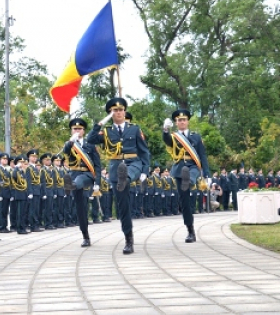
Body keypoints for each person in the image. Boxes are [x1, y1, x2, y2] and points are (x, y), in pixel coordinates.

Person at [87, 98, 150, 254]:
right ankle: (129, 239)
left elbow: (144, 152)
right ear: (111, 113)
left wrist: (144, 171)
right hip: (115, 166)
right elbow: (90, 139)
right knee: (123, 208)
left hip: (133, 163)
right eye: (115, 110)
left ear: (124, 111)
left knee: (128, 173)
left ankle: (126, 178)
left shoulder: (135, 129)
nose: (119, 112)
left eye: (121, 109)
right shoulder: (107, 131)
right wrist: (100, 124)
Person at [163, 109, 210, 243]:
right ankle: (190, 231)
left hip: (193, 165)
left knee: (191, 175)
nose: (182, 122)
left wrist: (207, 173)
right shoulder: (174, 136)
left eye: (184, 120)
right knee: (184, 202)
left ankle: (189, 180)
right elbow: (167, 141)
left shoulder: (196, 137)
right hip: (179, 168)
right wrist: (165, 130)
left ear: (187, 121)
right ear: (176, 122)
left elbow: (202, 155)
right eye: (179, 120)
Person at [63, 118, 103, 247]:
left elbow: (97, 164)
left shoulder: (90, 145)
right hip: (74, 174)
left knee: (78, 181)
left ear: (83, 131)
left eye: (79, 129)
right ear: (71, 130)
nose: (77, 131)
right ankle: (85, 236)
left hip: (87, 175)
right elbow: (66, 152)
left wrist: (97, 182)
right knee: (81, 209)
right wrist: (71, 141)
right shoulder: (69, 144)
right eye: (74, 129)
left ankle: (72, 185)